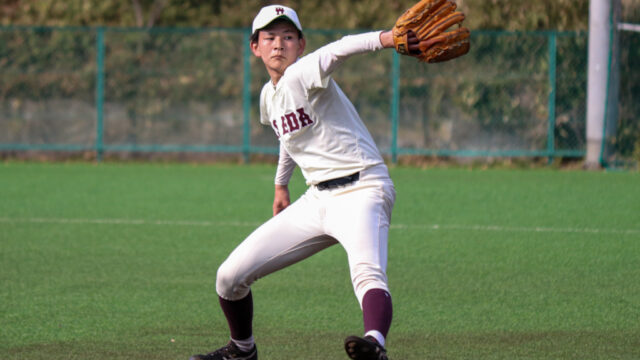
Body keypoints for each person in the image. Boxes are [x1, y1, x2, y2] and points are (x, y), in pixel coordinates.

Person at [190, 5, 418, 360]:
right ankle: (242, 350)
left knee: (367, 275)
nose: (278, 44)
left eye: (287, 37)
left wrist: (387, 38)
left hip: (363, 189)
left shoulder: (303, 72)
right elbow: (288, 137)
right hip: (316, 201)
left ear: (300, 45)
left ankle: (375, 345)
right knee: (229, 277)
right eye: (269, 38)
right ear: (255, 47)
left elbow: (338, 50)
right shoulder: (269, 95)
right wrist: (281, 185)